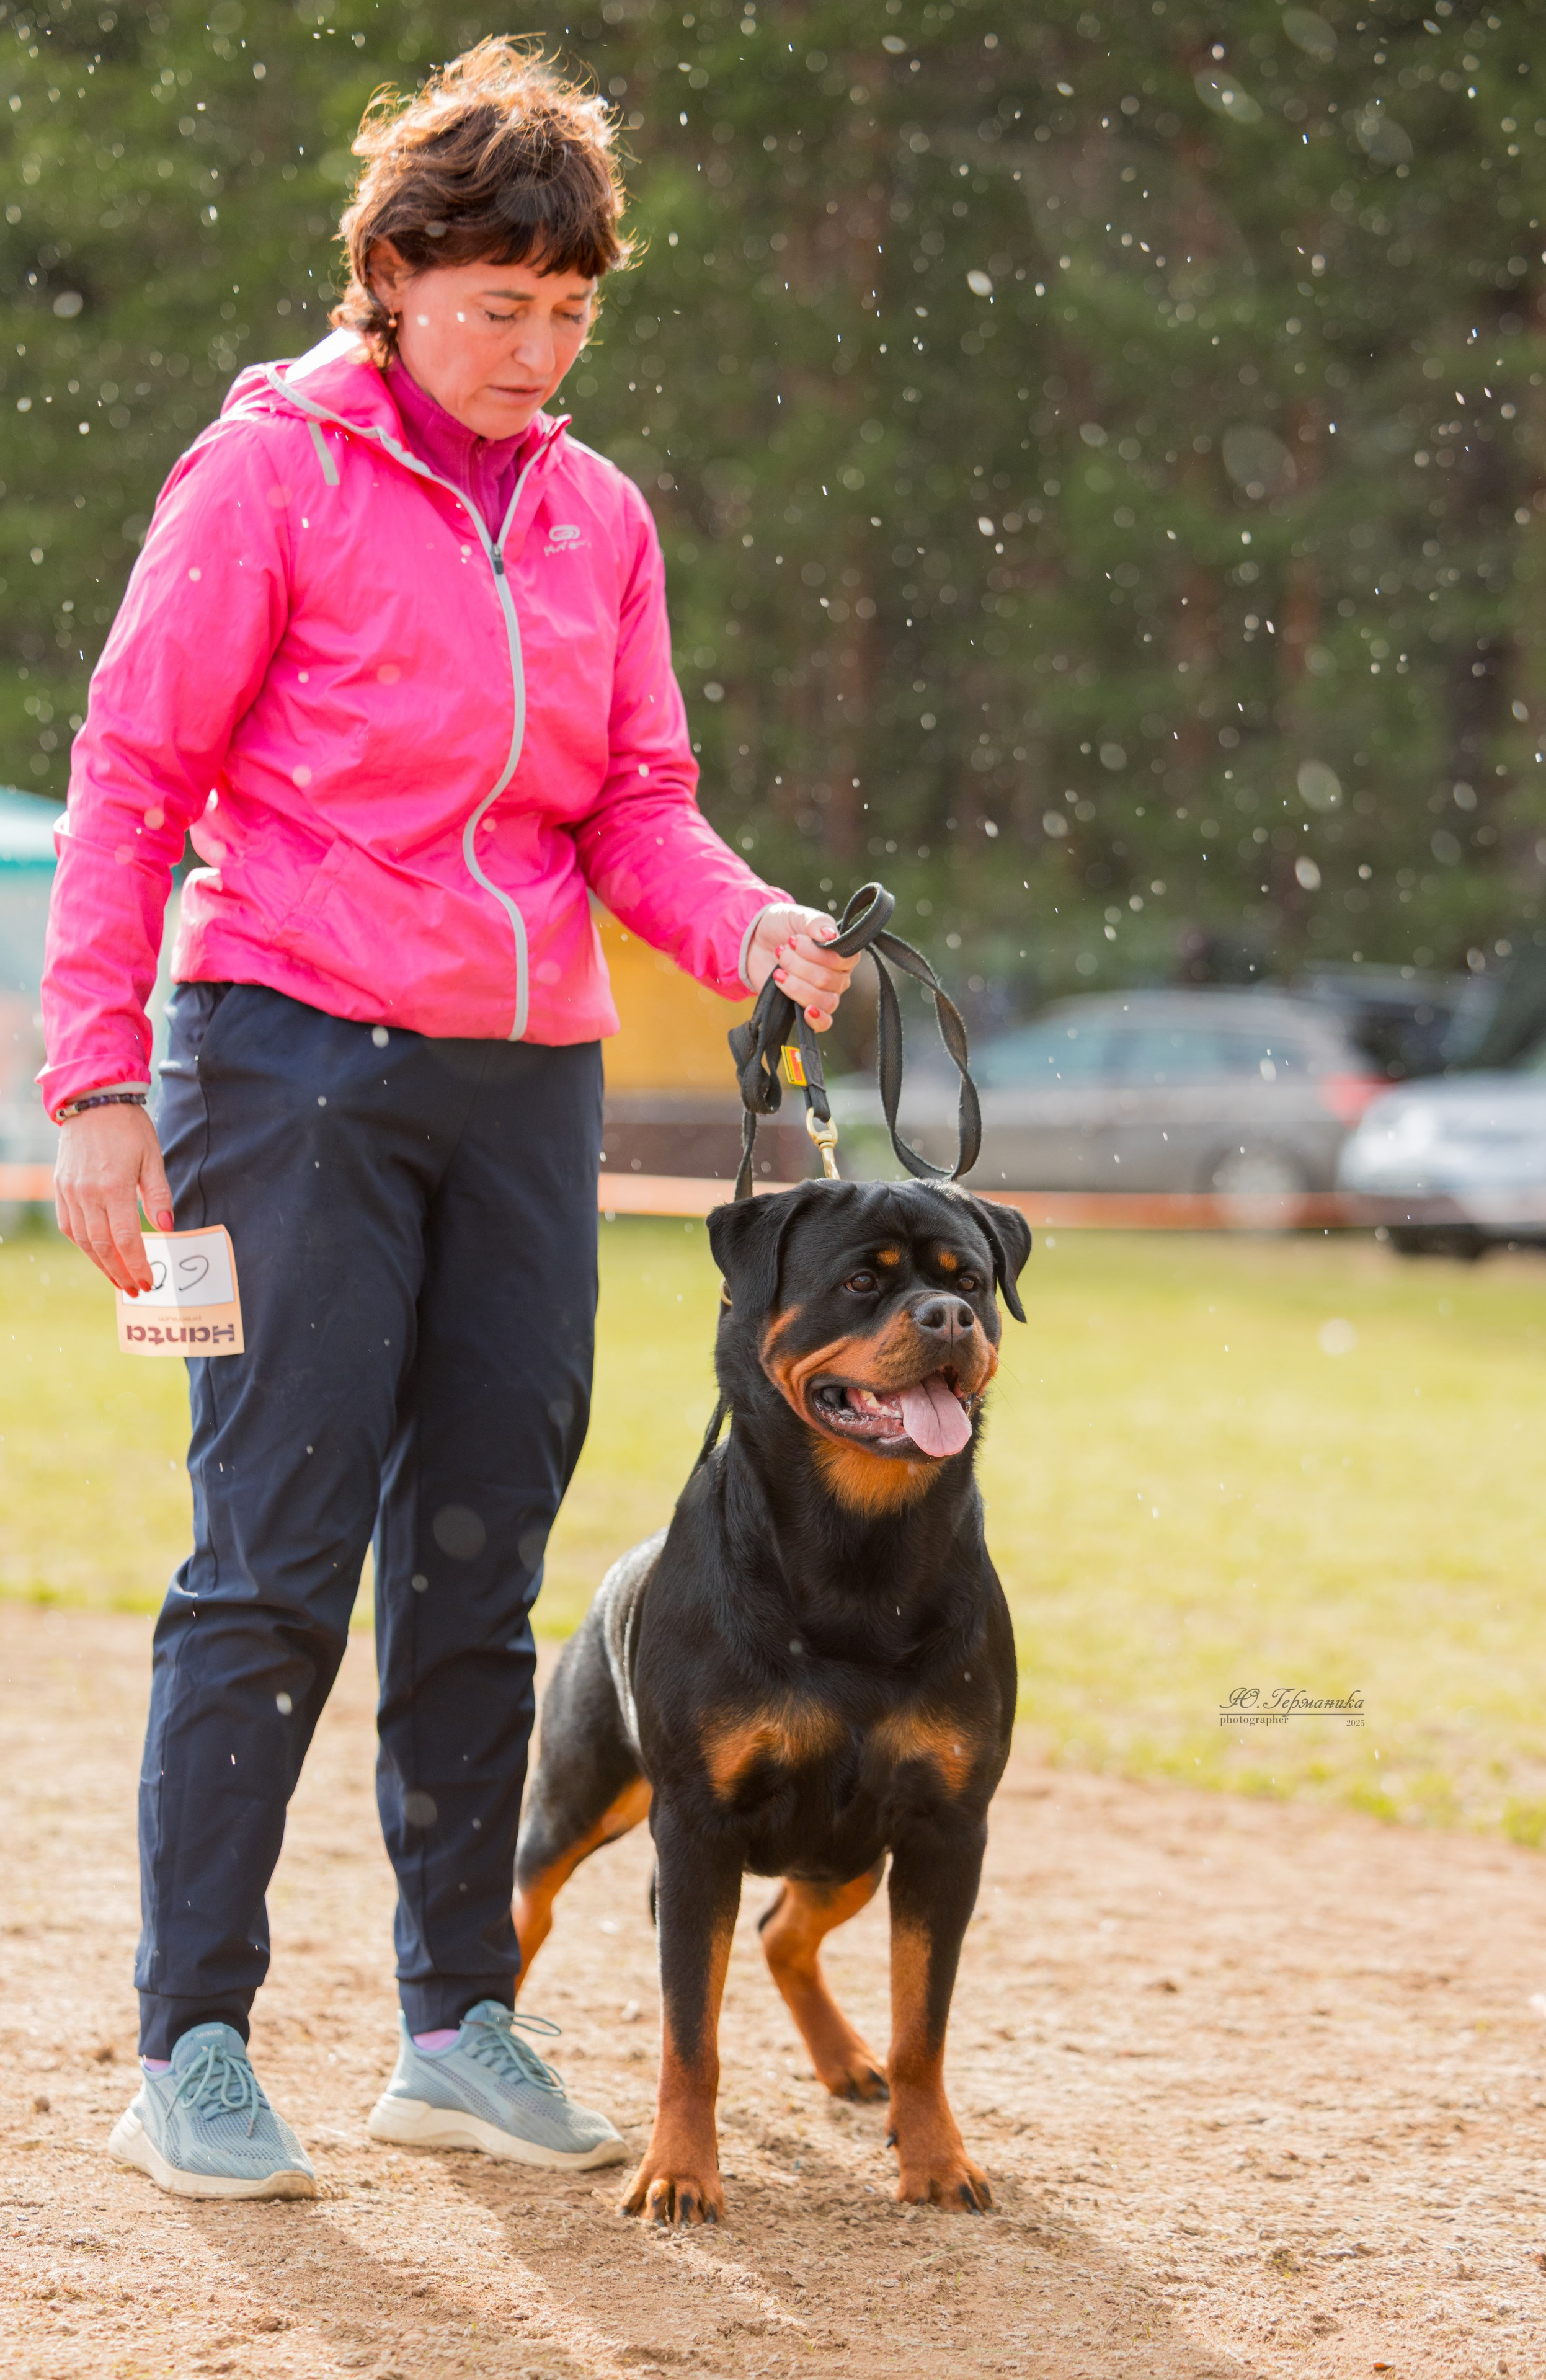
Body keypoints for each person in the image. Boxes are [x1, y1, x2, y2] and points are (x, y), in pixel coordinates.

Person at [41, 40, 856, 2201]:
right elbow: (130, 780)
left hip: (523, 1087)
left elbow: (634, 810)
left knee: (483, 1563)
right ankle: (190, 2045)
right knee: (274, 1562)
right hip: (281, 1063)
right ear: (392, 277)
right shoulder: (267, 476)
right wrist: (99, 1091)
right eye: (498, 305)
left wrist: (752, 922)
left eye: (572, 309)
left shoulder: (598, 516)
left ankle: (453, 2016)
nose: (537, 347)